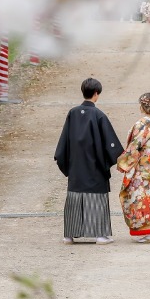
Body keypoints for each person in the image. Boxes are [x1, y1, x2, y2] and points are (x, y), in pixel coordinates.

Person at [55, 78, 124, 245]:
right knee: (96, 199)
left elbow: (63, 143)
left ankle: (69, 236)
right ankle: (100, 235)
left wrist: (67, 165)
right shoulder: (98, 115)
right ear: (96, 94)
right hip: (94, 167)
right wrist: (118, 158)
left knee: (74, 198)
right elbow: (111, 145)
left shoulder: (72, 113)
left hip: (76, 166)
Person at [116, 93, 150, 243]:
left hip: (142, 167)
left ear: (141, 107)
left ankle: (147, 233)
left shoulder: (141, 125)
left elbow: (134, 147)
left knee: (140, 197)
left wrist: (123, 163)